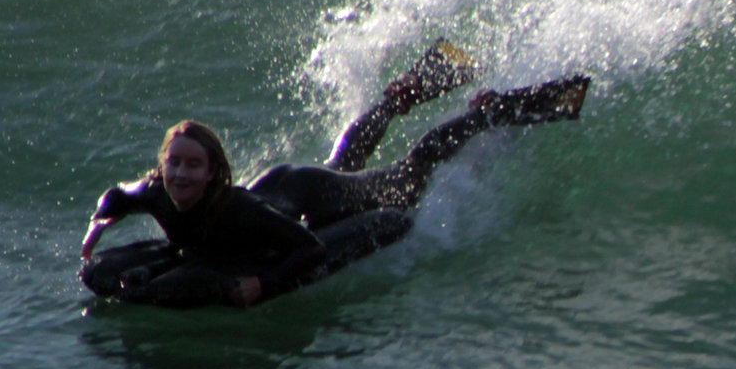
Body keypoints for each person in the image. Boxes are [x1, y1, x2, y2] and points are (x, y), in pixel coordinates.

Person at [79, 41, 588, 309]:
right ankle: (403, 93)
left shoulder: (236, 210)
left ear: (214, 174)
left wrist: (265, 285)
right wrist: (98, 227)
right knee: (342, 158)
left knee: (406, 176)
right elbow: (115, 196)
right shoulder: (156, 191)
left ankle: (490, 110)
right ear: (162, 166)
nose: (183, 174)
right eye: (176, 164)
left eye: (195, 165)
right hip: (284, 185)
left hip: (301, 196)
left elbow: (309, 247)